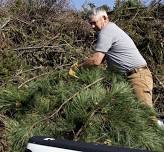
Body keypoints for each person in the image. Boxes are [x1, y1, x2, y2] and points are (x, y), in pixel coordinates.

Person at [69, 8, 163, 126]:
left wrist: (78, 67)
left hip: (137, 77)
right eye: (90, 23)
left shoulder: (106, 31)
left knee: (147, 119)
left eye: (94, 22)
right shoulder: (111, 30)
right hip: (129, 77)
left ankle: (157, 143)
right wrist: (85, 63)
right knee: (131, 118)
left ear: (104, 18)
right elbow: (102, 59)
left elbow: (96, 61)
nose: (92, 26)